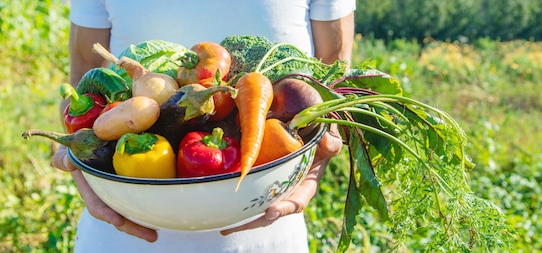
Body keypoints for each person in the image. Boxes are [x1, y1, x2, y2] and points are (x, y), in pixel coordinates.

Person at [51, 0, 355, 252]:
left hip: (267, 232)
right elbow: (81, 78)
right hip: (121, 234)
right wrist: (77, 159)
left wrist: (317, 162)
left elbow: (334, 74)